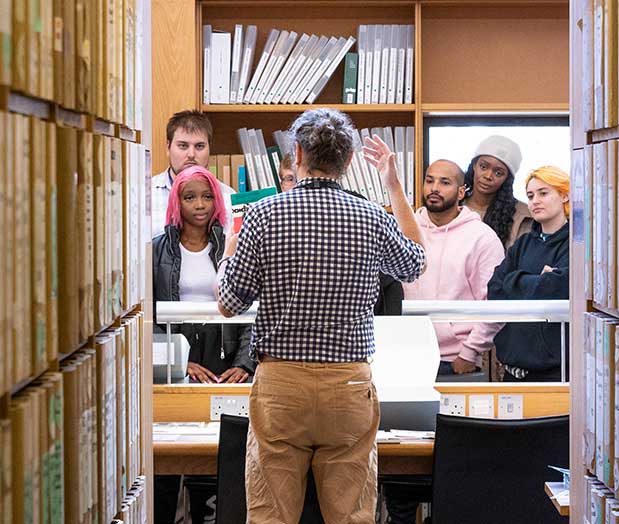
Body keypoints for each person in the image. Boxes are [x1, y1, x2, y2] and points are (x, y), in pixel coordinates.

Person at [216, 108, 425, 523]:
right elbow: (415, 263)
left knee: (271, 515)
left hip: (280, 386)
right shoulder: (372, 218)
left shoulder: (263, 215)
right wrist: (395, 187)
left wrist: (227, 253)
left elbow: (229, 304)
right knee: (351, 516)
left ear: (296, 154)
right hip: (348, 386)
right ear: (348, 161)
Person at [402, 159, 505, 378]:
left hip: (455, 361)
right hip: (405, 354)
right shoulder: (405, 231)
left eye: (444, 182)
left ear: (461, 192)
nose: (434, 188)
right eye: (429, 181)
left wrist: (469, 353)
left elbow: (494, 302)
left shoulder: (482, 237)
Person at [152, 164, 254, 383]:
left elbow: (251, 306)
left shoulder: (232, 247)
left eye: (207, 197)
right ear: (176, 202)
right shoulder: (156, 250)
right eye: (189, 197)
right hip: (176, 361)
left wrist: (244, 363)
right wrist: (178, 362)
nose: (200, 205)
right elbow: (147, 319)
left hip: (227, 356)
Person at [487, 166, 571, 382]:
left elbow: (556, 289)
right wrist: (535, 280)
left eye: (544, 193)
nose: (535, 201)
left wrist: (514, 280)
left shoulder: (576, 244)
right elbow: (495, 289)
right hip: (513, 368)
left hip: (555, 372)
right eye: (530, 195)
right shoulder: (523, 243)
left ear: (565, 195)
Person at [151, 110, 236, 237]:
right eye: (183, 146)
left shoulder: (229, 199)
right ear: (168, 148)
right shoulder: (145, 195)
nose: (191, 154)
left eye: (199, 146)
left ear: (209, 148)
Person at [463, 135, 533, 250]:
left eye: (498, 173)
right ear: (474, 166)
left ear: (507, 179)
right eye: (483, 167)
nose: (488, 176)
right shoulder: (453, 206)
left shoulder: (524, 216)